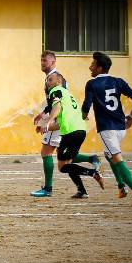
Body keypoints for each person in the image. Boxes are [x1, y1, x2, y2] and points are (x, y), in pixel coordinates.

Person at [82, 51, 132, 205]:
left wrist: (84, 115)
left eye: (93, 64)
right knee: (109, 155)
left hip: (106, 129)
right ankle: (121, 186)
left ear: (100, 67)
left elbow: (86, 106)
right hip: (120, 127)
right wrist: (131, 117)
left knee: (117, 158)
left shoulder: (92, 84)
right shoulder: (118, 81)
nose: (90, 67)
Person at [36, 71, 104, 199]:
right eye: (47, 80)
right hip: (81, 131)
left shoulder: (55, 91)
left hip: (70, 133)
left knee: (62, 166)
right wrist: (45, 127)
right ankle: (82, 190)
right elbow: (62, 122)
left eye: (50, 80)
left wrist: (48, 121)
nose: (47, 82)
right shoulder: (68, 94)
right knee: (68, 161)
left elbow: (57, 107)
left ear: (59, 81)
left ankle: (92, 172)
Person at [30, 51, 64, 197]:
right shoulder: (50, 78)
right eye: (42, 60)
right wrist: (43, 113)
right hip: (55, 117)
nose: (43, 63)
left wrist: (50, 122)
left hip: (57, 119)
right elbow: (52, 101)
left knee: (47, 152)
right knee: (64, 155)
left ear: (53, 62)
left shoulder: (55, 78)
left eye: (46, 60)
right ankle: (92, 160)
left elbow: (59, 101)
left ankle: (48, 188)